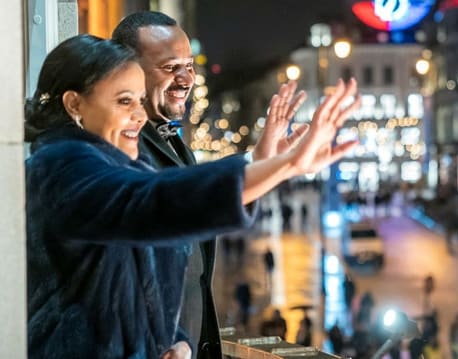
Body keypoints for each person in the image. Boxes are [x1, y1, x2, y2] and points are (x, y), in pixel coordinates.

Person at [25, 34, 361, 358]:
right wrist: (283, 165)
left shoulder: (118, 164)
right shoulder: (60, 167)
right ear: (74, 104)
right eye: (123, 101)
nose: (139, 115)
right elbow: (159, 202)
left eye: (140, 100)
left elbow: (148, 282)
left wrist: (175, 341)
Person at [110, 11, 308, 357]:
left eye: (189, 65)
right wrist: (159, 337)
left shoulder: (170, 139)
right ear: (127, 71)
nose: (186, 79)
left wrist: (259, 161)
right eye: (170, 67)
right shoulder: (120, 144)